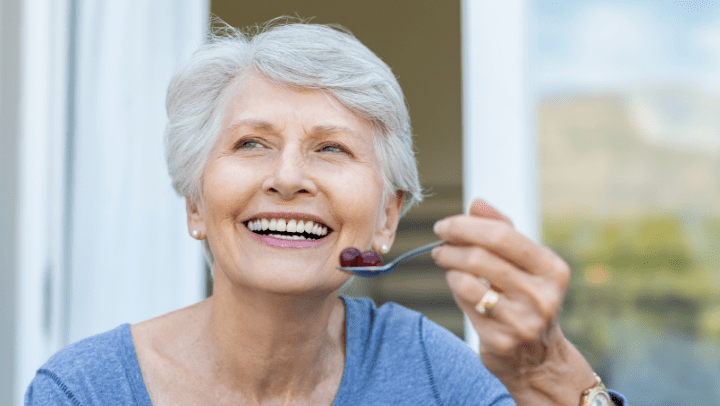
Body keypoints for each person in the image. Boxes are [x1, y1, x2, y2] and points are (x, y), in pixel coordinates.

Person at [25, 20, 628, 406]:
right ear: (194, 204)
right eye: (251, 143)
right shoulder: (84, 390)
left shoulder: (428, 369)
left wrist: (545, 370)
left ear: (387, 220)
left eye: (331, 148)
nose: (287, 178)